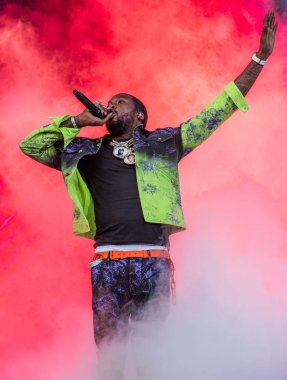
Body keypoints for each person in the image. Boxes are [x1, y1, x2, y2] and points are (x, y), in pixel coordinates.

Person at [19, 10, 277, 379]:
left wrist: (259, 59)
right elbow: (31, 146)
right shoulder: (84, 153)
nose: (111, 104)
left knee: (151, 363)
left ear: (139, 115)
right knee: (108, 360)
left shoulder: (164, 144)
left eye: (121, 101)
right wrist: (77, 122)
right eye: (110, 101)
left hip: (152, 263)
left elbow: (217, 111)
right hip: (108, 264)